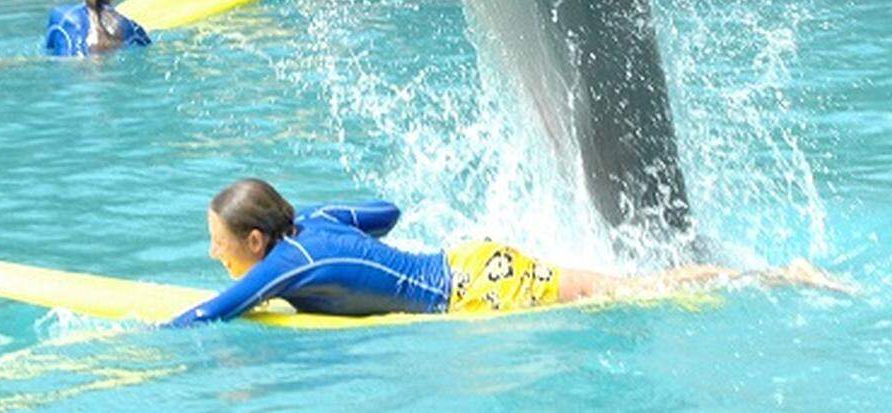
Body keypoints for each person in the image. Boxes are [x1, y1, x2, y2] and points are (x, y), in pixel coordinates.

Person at [167, 178, 851, 326]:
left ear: (255, 241)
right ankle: (771, 275)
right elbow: (387, 212)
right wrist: (314, 215)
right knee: (634, 283)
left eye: (218, 242)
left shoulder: (286, 265)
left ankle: (775, 279)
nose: (211, 252)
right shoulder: (307, 230)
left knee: (641, 292)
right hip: (474, 259)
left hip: (477, 292)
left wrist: (141, 335)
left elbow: (208, 314)